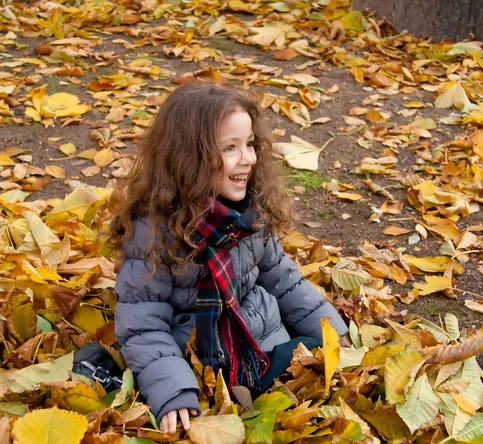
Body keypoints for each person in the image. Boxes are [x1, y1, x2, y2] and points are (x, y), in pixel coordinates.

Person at [109, 83, 348, 435]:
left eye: (250, 144)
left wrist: (334, 332)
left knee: (315, 363)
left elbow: (286, 282)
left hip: (262, 341)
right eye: (230, 148)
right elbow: (143, 325)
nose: (248, 158)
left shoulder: (249, 214)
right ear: (189, 158)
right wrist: (173, 390)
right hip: (205, 359)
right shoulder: (154, 232)